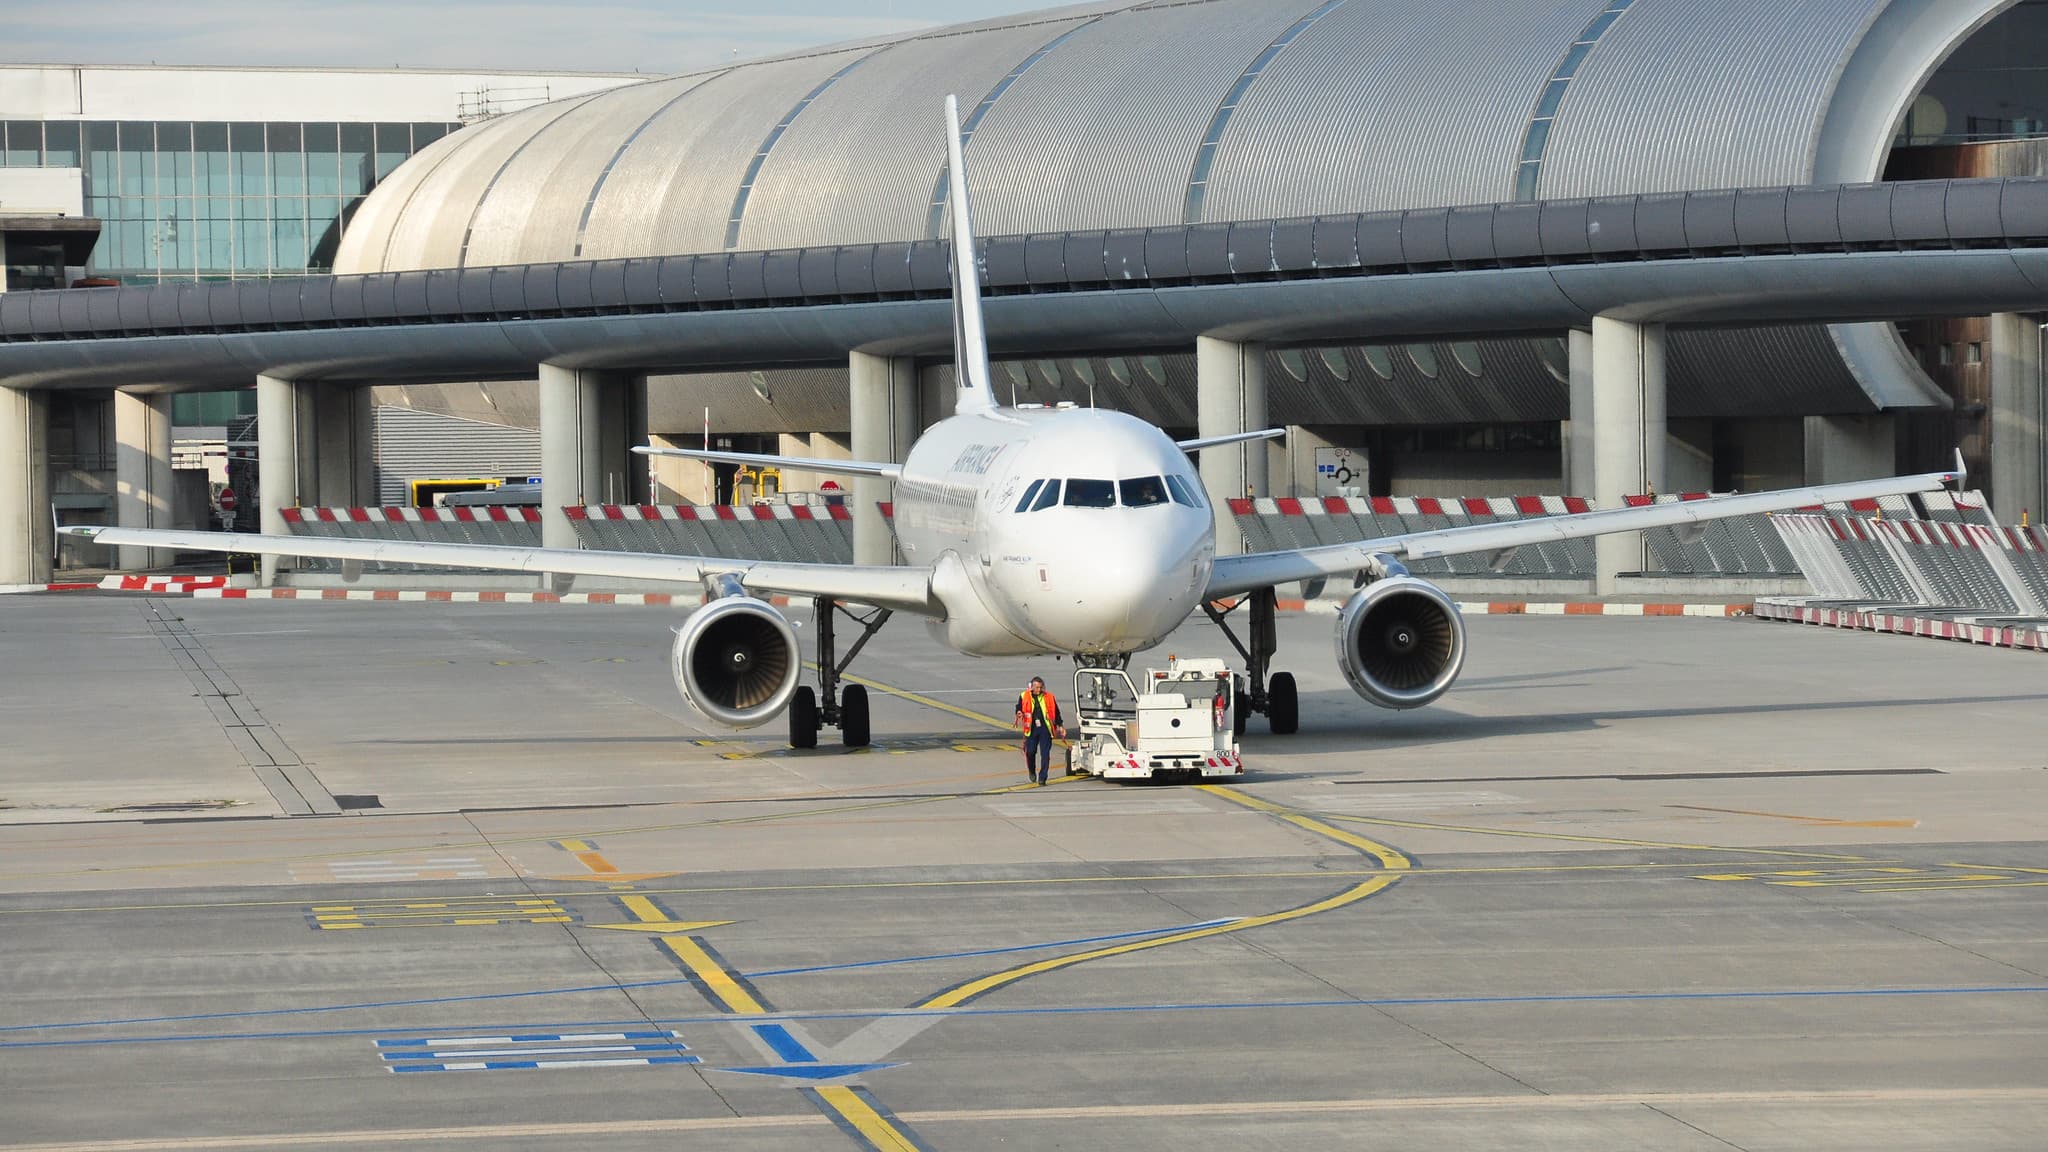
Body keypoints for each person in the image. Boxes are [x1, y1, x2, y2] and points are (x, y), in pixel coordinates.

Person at [1015, 675, 1064, 785]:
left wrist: (1060, 725)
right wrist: (1018, 712)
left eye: (1041, 687)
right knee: (1031, 752)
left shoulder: (1049, 696)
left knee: (1045, 754)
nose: (1039, 690)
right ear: (1031, 687)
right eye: (1037, 687)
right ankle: (1032, 771)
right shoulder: (1024, 696)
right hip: (1031, 728)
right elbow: (1018, 706)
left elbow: (1056, 712)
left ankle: (1043, 777)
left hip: (1045, 728)